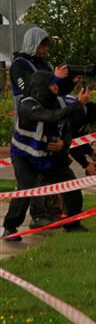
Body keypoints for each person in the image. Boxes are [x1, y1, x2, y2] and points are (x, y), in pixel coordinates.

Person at [1, 72, 91, 241]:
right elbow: (50, 117)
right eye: (52, 84)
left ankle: (73, 224)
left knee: (72, 185)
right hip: (24, 156)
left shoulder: (60, 102)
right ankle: (10, 228)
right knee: (26, 189)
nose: (56, 87)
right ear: (41, 87)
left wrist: (63, 144)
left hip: (49, 156)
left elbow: (67, 129)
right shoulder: (27, 104)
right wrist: (78, 103)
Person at [28, 97, 96, 229]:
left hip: (54, 151)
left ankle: (69, 222)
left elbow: (77, 138)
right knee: (43, 185)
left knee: (69, 187)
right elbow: (72, 143)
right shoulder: (78, 114)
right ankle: (40, 218)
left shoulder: (83, 113)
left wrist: (91, 152)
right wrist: (86, 164)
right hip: (43, 150)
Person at [11, 27, 77, 110]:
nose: (47, 48)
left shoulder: (42, 63)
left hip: (49, 112)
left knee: (77, 105)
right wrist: (54, 78)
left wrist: (71, 82)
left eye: (47, 45)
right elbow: (29, 90)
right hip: (30, 115)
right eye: (44, 45)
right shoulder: (19, 63)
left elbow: (57, 91)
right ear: (33, 43)